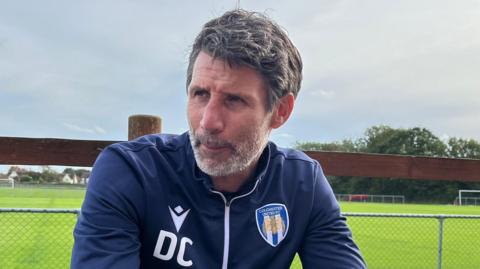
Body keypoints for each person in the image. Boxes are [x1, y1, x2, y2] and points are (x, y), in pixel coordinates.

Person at [71, 9, 366, 269]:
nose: (207, 122)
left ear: (280, 111)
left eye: (234, 100)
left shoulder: (301, 183)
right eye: (200, 94)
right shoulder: (131, 171)